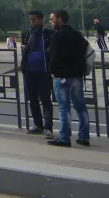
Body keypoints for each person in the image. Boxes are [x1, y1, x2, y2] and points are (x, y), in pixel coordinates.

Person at [47, 9, 90, 147]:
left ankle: (65, 137)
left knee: (64, 108)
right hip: (77, 75)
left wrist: (51, 71)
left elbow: (54, 57)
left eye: (52, 19)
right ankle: (84, 136)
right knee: (81, 106)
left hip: (62, 76)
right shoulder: (77, 35)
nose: (50, 21)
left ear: (59, 20)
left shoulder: (57, 36)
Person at [20, 11, 55, 138]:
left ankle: (48, 127)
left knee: (45, 99)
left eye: (34, 20)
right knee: (32, 99)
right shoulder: (27, 34)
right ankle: (37, 124)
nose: (31, 22)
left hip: (44, 71)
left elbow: (54, 49)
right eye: (30, 20)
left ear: (41, 20)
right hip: (29, 70)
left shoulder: (49, 33)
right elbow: (23, 48)